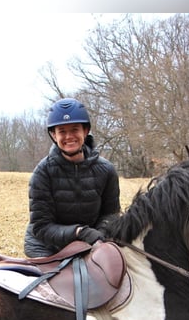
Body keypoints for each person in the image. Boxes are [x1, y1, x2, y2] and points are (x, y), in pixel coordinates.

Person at [23, 98, 121, 258]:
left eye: (75, 129)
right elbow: (41, 226)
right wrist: (79, 232)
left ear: (85, 131)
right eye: (62, 131)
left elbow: (111, 214)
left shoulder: (106, 170)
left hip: (90, 242)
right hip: (47, 247)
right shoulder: (42, 173)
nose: (69, 136)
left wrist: (98, 234)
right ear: (54, 135)